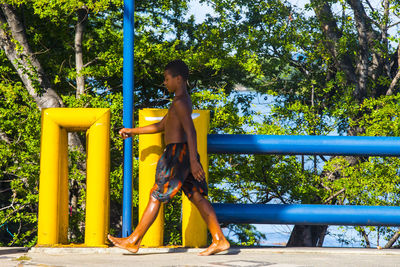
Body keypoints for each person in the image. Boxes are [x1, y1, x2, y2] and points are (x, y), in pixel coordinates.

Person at [108, 60, 230, 256]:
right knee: (197, 196)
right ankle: (219, 239)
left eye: (167, 79)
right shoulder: (178, 102)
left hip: (178, 155)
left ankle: (134, 240)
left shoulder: (181, 103)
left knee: (156, 193)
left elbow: (191, 132)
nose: (164, 82)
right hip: (182, 155)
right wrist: (132, 131)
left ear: (178, 79)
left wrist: (193, 161)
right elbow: (161, 126)